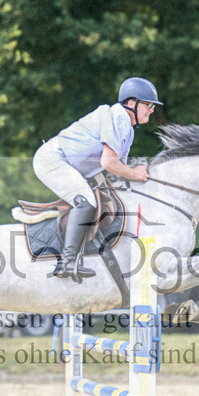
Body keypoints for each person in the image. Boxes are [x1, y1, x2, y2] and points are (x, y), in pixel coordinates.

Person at [33, 76, 159, 281]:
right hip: (52, 160)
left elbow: (118, 169)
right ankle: (67, 262)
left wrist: (134, 173)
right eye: (148, 104)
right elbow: (109, 163)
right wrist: (136, 173)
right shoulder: (118, 117)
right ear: (131, 103)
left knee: (100, 199)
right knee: (87, 202)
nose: (152, 109)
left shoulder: (126, 126)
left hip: (65, 163)